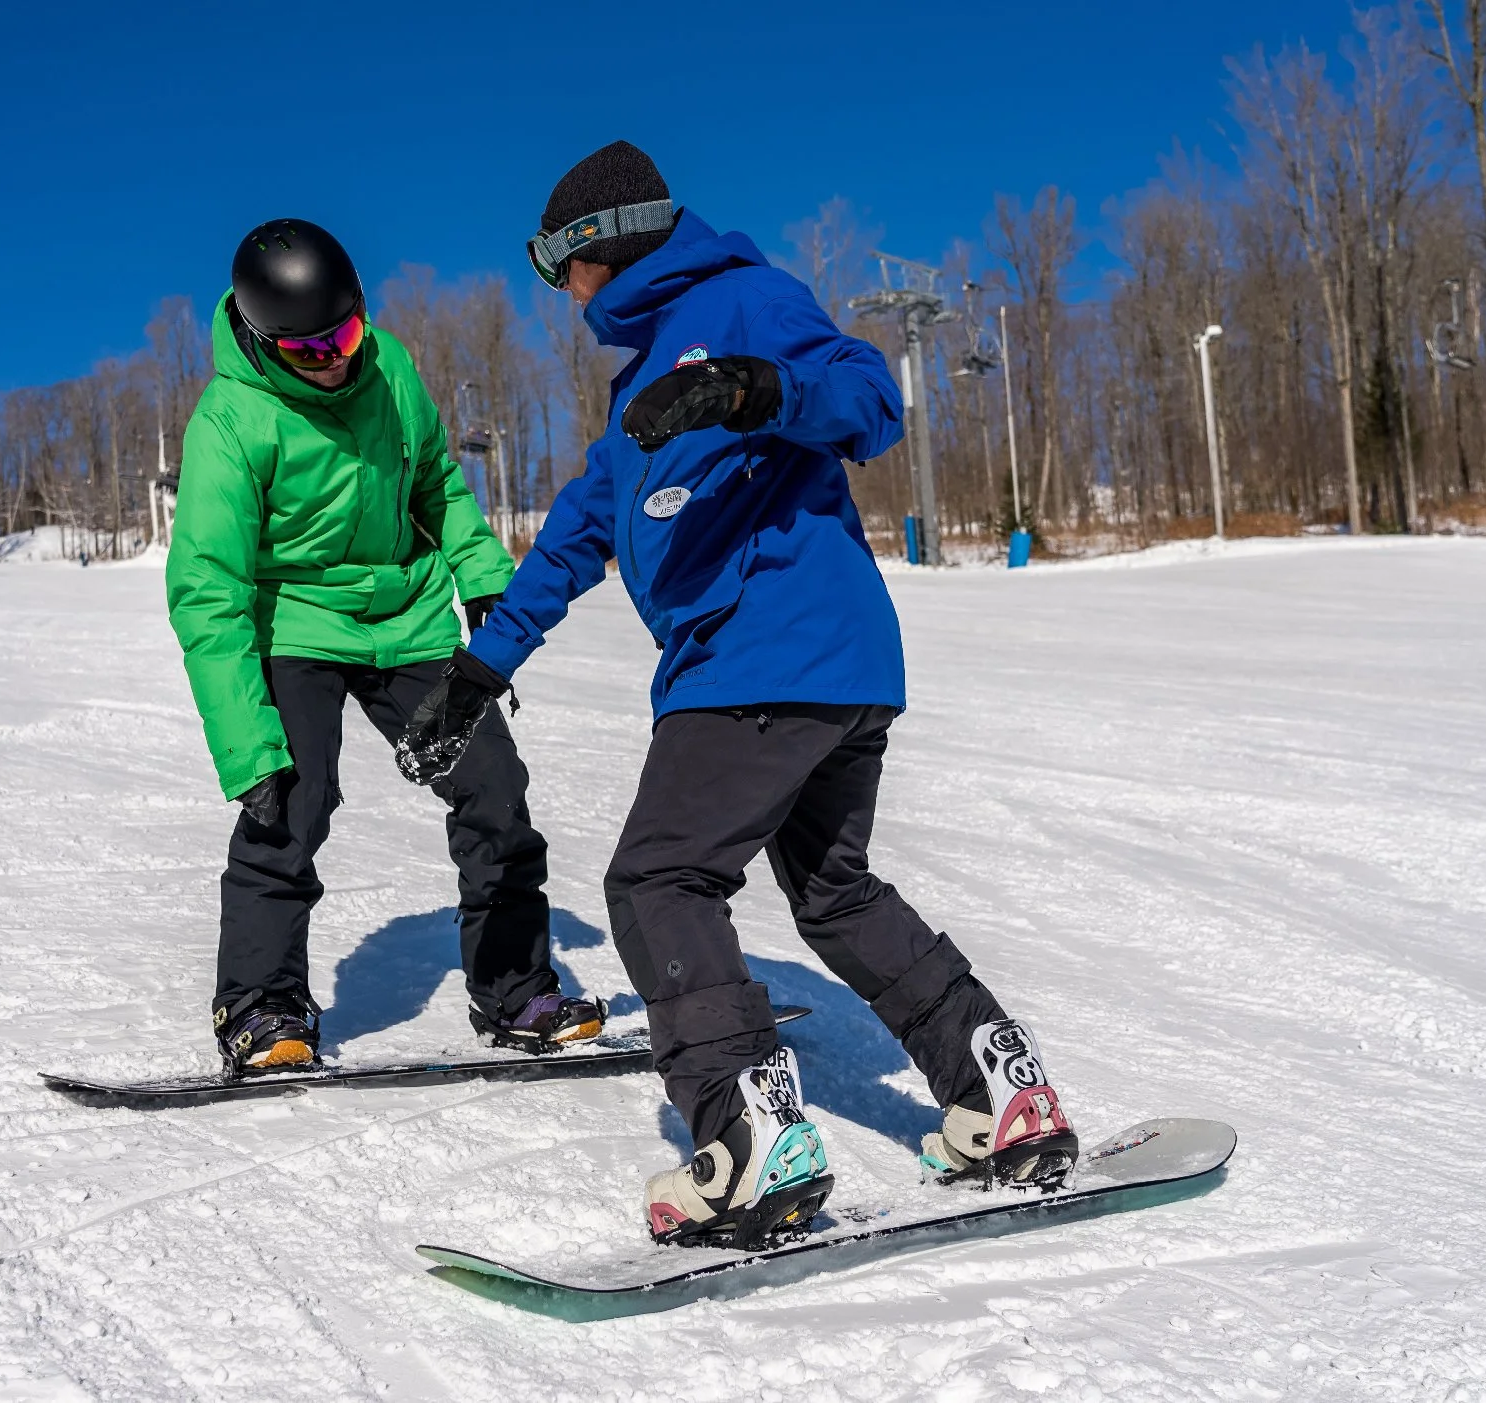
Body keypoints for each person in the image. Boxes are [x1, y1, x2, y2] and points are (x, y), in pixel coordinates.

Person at [396, 143, 1077, 1247]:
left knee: (661, 879)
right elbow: (576, 537)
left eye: (554, 266)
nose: (558, 292)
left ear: (598, 249)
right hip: (835, 669)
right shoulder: (636, 393)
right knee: (836, 892)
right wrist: (479, 673)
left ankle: (751, 1140)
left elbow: (867, 400)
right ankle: (1001, 1091)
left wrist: (765, 388)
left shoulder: (748, 300)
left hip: (766, 657)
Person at [165, 217, 606, 1078]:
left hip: (405, 617)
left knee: (493, 786)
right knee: (291, 800)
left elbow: (438, 482)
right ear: (262, 340)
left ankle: (514, 988)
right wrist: (246, 746)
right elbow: (207, 590)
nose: (333, 356)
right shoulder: (230, 420)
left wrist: (482, 576)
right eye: (307, 348)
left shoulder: (391, 368)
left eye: (346, 333)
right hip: (293, 622)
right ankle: (260, 1004)